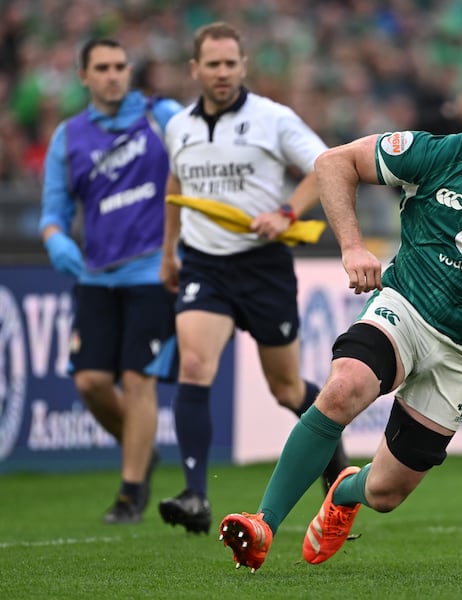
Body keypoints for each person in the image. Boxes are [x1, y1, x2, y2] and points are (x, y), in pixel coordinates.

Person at [217, 67, 462, 571]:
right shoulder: (438, 154)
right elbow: (334, 163)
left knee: (386, 492)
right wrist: (352, 246)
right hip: (408, 308)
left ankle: (344, 492)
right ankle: (263, 522)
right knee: (343, 388)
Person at [157, 21, 348, 535]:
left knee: (286, 389)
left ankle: (336, 481)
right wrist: (169, 252)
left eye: (230, 63)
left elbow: (325, 165)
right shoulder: (178, 126)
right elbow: (176, 182)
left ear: (243, 65)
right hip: (203, 264)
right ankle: (196, 497)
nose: (221, 72)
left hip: (263, 266)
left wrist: (286, 213)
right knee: (194, 365)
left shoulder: (273, 118)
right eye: (212, 64)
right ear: (195, 69)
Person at [39, 39, 182, 523]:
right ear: (84, 75)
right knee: (91, 382)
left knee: (139, 380)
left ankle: (130, 491)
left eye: (121, 66)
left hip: (153, 271)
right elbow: (53, 212)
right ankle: (141, 450)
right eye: (102, 68)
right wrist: (56, 238)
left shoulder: (162, 118)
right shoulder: (68, 136)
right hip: (96, 276)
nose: (113, 75)